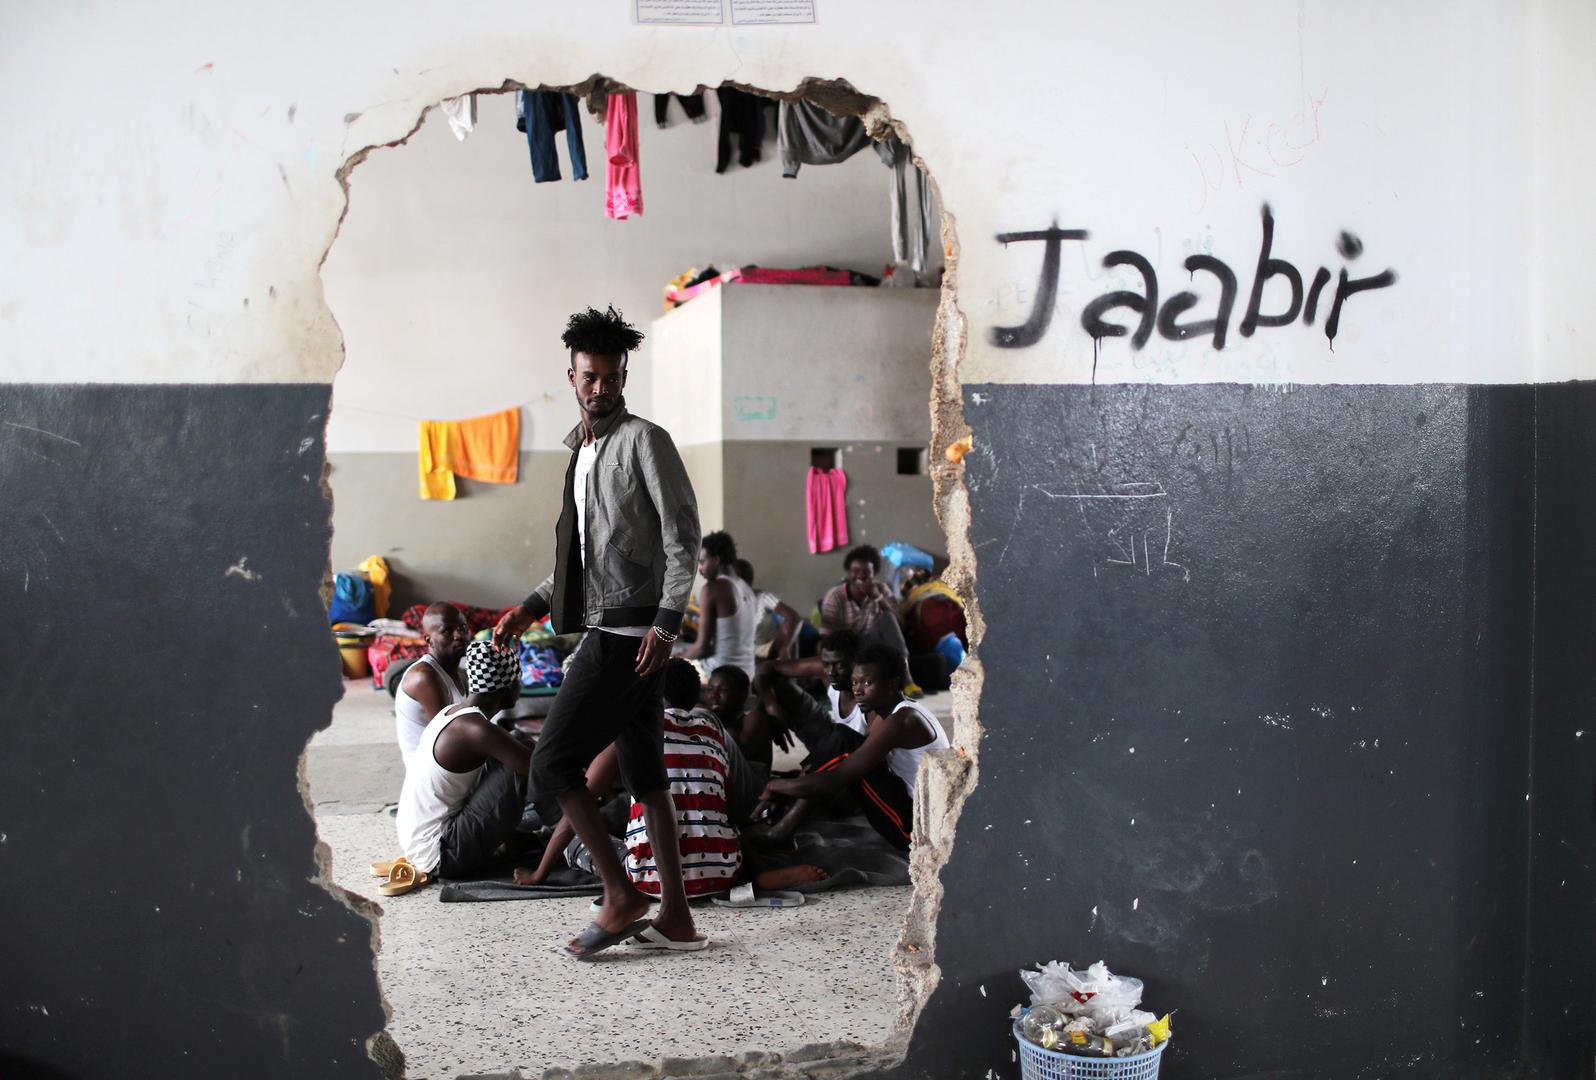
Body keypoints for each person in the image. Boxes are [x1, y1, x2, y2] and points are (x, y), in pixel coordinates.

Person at [492, 304, 704, 959]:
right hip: (612, 629)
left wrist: (667, 626)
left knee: (552, 763)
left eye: (612, 378)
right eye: (590, 377)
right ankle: (675, 915)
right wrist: (530, 604)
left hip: (628, 639)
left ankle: (621, 894)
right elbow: (584, 557)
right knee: (647, 778)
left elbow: (682, 536)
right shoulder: (581, 453)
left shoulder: (646, 440)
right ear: (572, 375)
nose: (601, 389)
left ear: (624, 376)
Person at [516, 660, 744, 899]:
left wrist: (538, 875)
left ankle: (628, 887)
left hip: (650, 880)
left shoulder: (635, 728)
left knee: (577, 832)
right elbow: (731, 809)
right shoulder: (712, 729)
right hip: (724, 874)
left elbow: (579, 804)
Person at [756, 642, 949, 851]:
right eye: (855, 682)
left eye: (867, 682)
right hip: (913, 811)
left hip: (915, 831)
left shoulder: (902, 720)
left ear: (892, 684)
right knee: (841, 740)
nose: (858, 690)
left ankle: (781, 832)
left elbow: (832, 781)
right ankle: (783, 820)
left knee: (842, 748)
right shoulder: (899, 713)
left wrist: (774, 786)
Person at [389, 641, 531, 892]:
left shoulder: (454, 713)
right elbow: (538, 770)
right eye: (518, 680)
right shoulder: (475, 729)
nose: (520, 686)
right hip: (440, 854)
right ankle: (576, 836)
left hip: (421, 843)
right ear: (506, 686)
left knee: (515, 745)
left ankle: (525, 840)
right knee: (519, 766)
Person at [393, 602, 471, 763]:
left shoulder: (461, 673)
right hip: (433, 774)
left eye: (463, 628)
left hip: (452, 764)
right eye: (447, 631)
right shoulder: (425, 676)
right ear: (429, 640)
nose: (459, 635)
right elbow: (451, 738)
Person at [676, 530, 756, 679]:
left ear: (716, 560)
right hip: (748, 672)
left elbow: (701, 647)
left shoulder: (712, 588)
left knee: (667, 668)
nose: (699, 568)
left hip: (720, 672)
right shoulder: (746, 588)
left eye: (702, 562)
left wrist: (673, 659)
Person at [820, 544, 912, 663]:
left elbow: (900, 624)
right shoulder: (835, 597)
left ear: (874, 574)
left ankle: (905, 673)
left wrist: (877, 597)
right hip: (846, 650)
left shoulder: (882, 589)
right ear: (849, 573)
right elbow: (827, 639)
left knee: (888, 617)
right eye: (856, 571)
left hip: (875, 646)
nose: (861, 575)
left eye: (867, 571)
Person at [733, 558, 802, 659]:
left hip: (769, 648)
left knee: (789, 630)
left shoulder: (762, 597)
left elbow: (794, 617)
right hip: (746, 654)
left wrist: (786, 647)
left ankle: (792, 668)